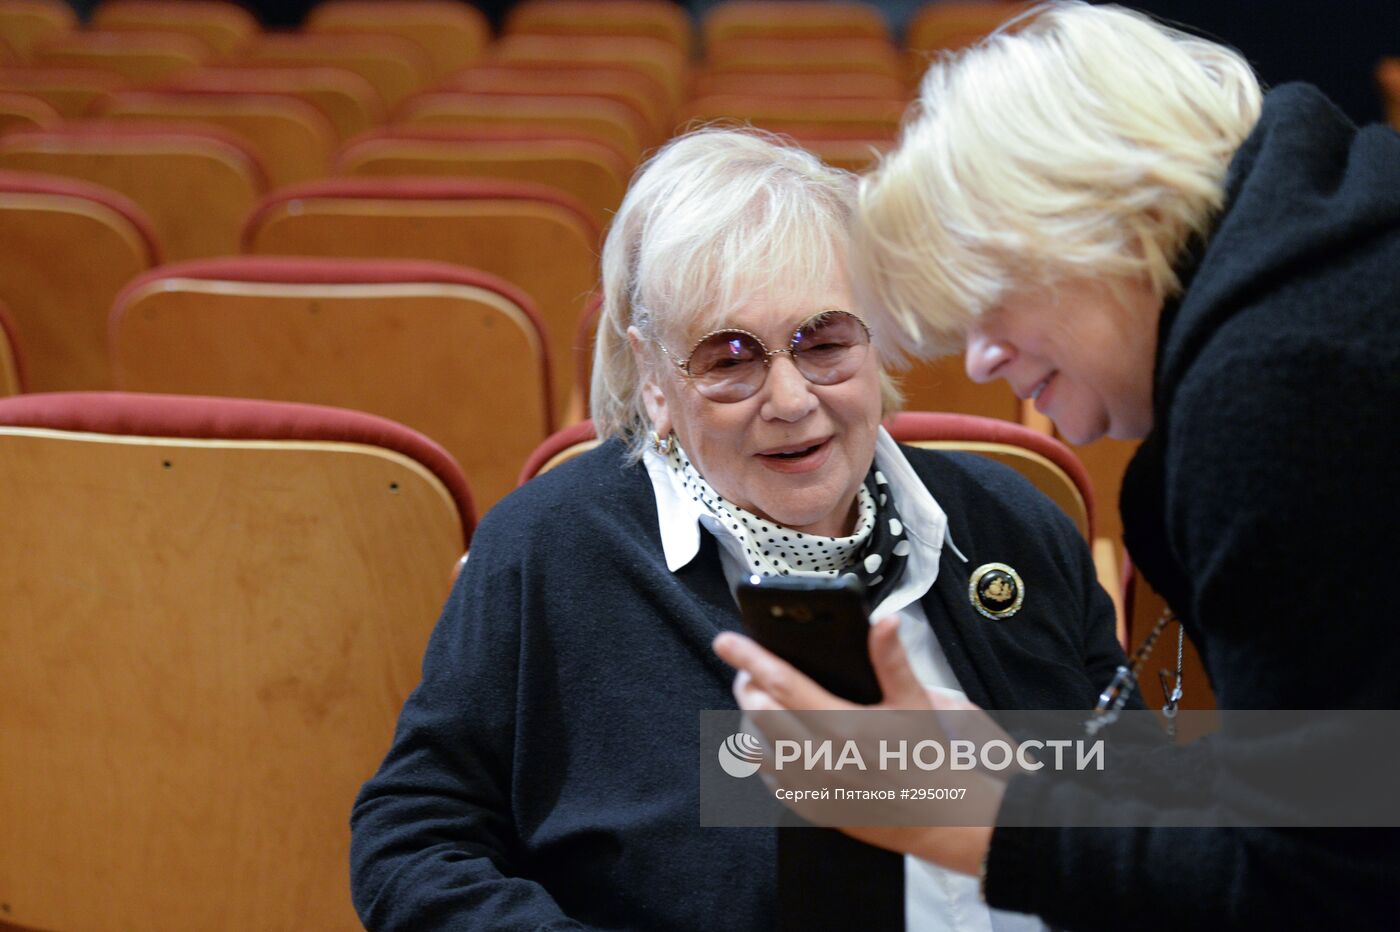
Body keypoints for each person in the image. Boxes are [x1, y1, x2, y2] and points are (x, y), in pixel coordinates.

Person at [716, 3, 1400, 929]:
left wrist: (971, 820)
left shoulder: (1281, 387)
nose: (981, 360)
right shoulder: (1338, 259)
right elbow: (1346, 785)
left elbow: (1320, 888)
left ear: (1111, 219)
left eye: (991, 293)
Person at [349, 127, 1133, 930]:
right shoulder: (549, 551)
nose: (791, 399)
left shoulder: (1009, 521)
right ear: (653, 378)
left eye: (823, 342)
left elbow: (1151, 810)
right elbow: (412, 843)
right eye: (730, 359)